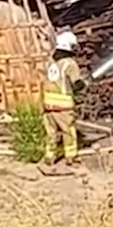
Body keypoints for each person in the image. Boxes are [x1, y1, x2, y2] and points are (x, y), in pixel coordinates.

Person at [42, 30, 86, 166]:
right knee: (68, 131)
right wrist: (84, 83)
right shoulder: (70, 63)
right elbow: (76, 85)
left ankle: (49, 157)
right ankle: (71, 157)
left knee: (51, 133)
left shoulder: (50, 63)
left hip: (48, 105)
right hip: (63, 106)